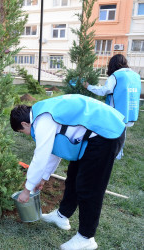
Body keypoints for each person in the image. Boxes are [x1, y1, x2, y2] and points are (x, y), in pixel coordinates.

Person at [10, 94, 126, 250]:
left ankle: (86, 238)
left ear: (25, 123)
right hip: (92, 135)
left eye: (22, 131)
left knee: (89, 188)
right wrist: (43, 178)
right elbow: (54, 150)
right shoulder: (42, 112)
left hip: (106, 134)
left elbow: (41, 155)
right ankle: (62, 216)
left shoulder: (42, 121)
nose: (26, 135)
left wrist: (27, 189)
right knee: (73, 176)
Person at [83, 54, 141, 159]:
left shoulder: (116, 76)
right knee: (123, 130)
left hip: (117, 110)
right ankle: (120, 152)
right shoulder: (135, 75)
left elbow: (104, 90)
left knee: (114, 131)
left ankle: (115, 153)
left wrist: (89, 87)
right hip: (130, 109)